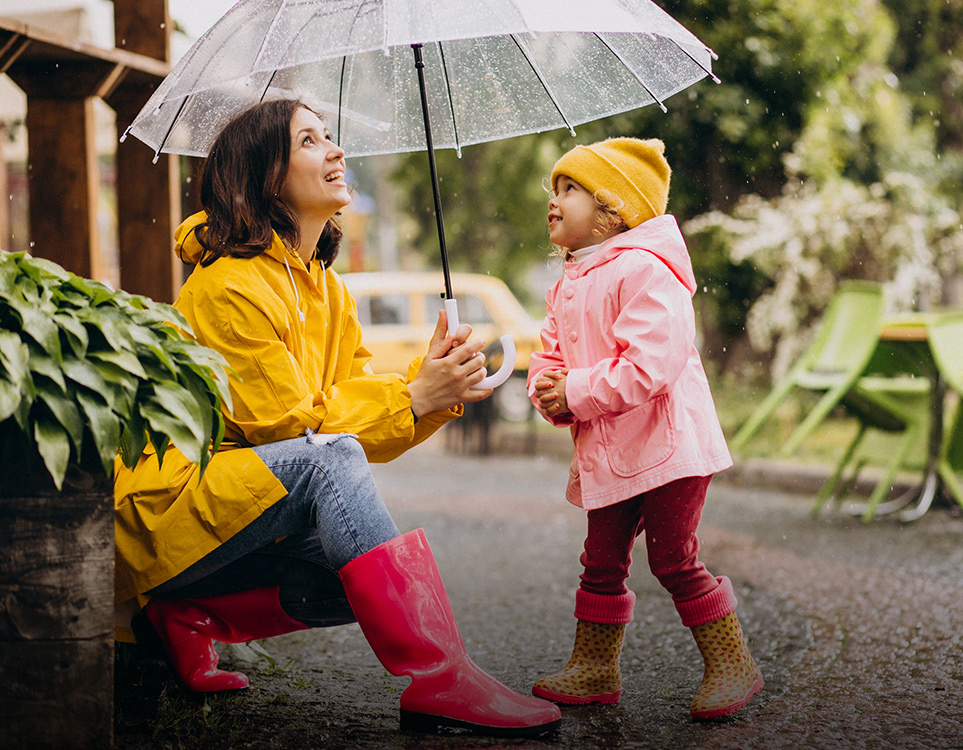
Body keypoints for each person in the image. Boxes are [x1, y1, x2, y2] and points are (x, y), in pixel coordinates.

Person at [113, 98, 560, 737]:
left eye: (331, 136)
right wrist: (412, 396)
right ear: (265, 176)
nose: (336, 151)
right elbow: (292, 429)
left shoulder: (326, 289)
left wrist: (426, 386)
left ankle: (191, 615)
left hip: (238, 508)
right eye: (310, 141)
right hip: (170, 510)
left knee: (352, 565)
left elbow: (352, 415)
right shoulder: (228, 286)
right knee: (332, 471)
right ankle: (440, 678)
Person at [527, 137, 764, 720]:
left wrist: (577, 391)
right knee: (601, 560)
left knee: (672, 558)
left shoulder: (646, 270)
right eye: (553, 189)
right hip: (611, 453)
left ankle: (733, 663)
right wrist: (550, 391)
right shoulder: (569, 281)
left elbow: (649, 366)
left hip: (669, 446)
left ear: (614, 209)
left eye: (570, 188)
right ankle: (595, 667)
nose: (554, 200)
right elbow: (550, 356)